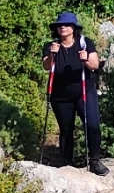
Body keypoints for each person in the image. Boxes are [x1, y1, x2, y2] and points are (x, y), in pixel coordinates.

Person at [42, 11, 108, 175]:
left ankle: (94, 161)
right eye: (60, 25)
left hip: (85, 91)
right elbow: (46, 66)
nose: (62, 27)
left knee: (92, 125)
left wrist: (86, 59)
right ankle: (67, 164)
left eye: (66, 25)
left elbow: (95, 65)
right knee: (66, 130)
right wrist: (52, 54)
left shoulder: (85, 43)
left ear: (73, 27)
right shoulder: (51, 46)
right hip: (61, 96)